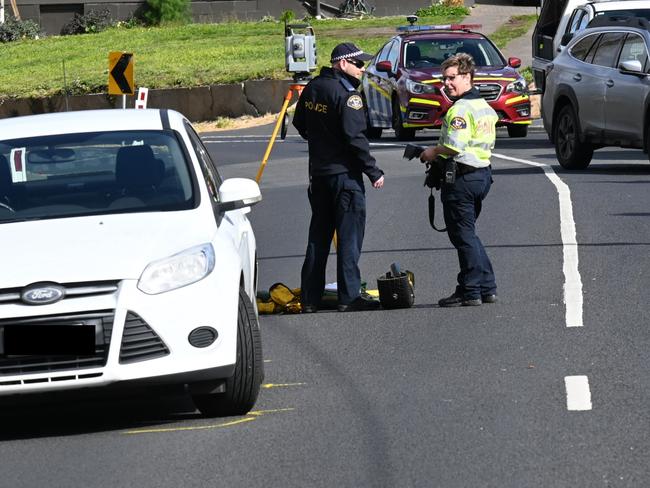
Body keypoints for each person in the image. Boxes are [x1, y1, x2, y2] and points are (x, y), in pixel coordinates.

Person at [293, 42, 385, 313]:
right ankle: (349, 296)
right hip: (345, 177)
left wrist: (321, 142)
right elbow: (355, 138)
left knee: (318, 237)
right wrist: (373, 171)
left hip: (319, 175)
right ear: (342, 63)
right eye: (358, 64)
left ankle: (310, 298)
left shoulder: (312, 87)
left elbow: (300, 123)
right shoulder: (348, 94)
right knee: (349, 238)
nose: (362, 68)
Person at [419, 53, 498, 307]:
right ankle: (487, 287)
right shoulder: (483, 106)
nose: (447, 84)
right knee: (469, 234)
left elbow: (454, 146)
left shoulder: (461, 109)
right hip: (481, 175)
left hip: (463, 179)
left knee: (463, 237)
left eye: (452, 78)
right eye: (444, 79)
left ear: (467, 77)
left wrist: (432, 152)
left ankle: (470, 290)